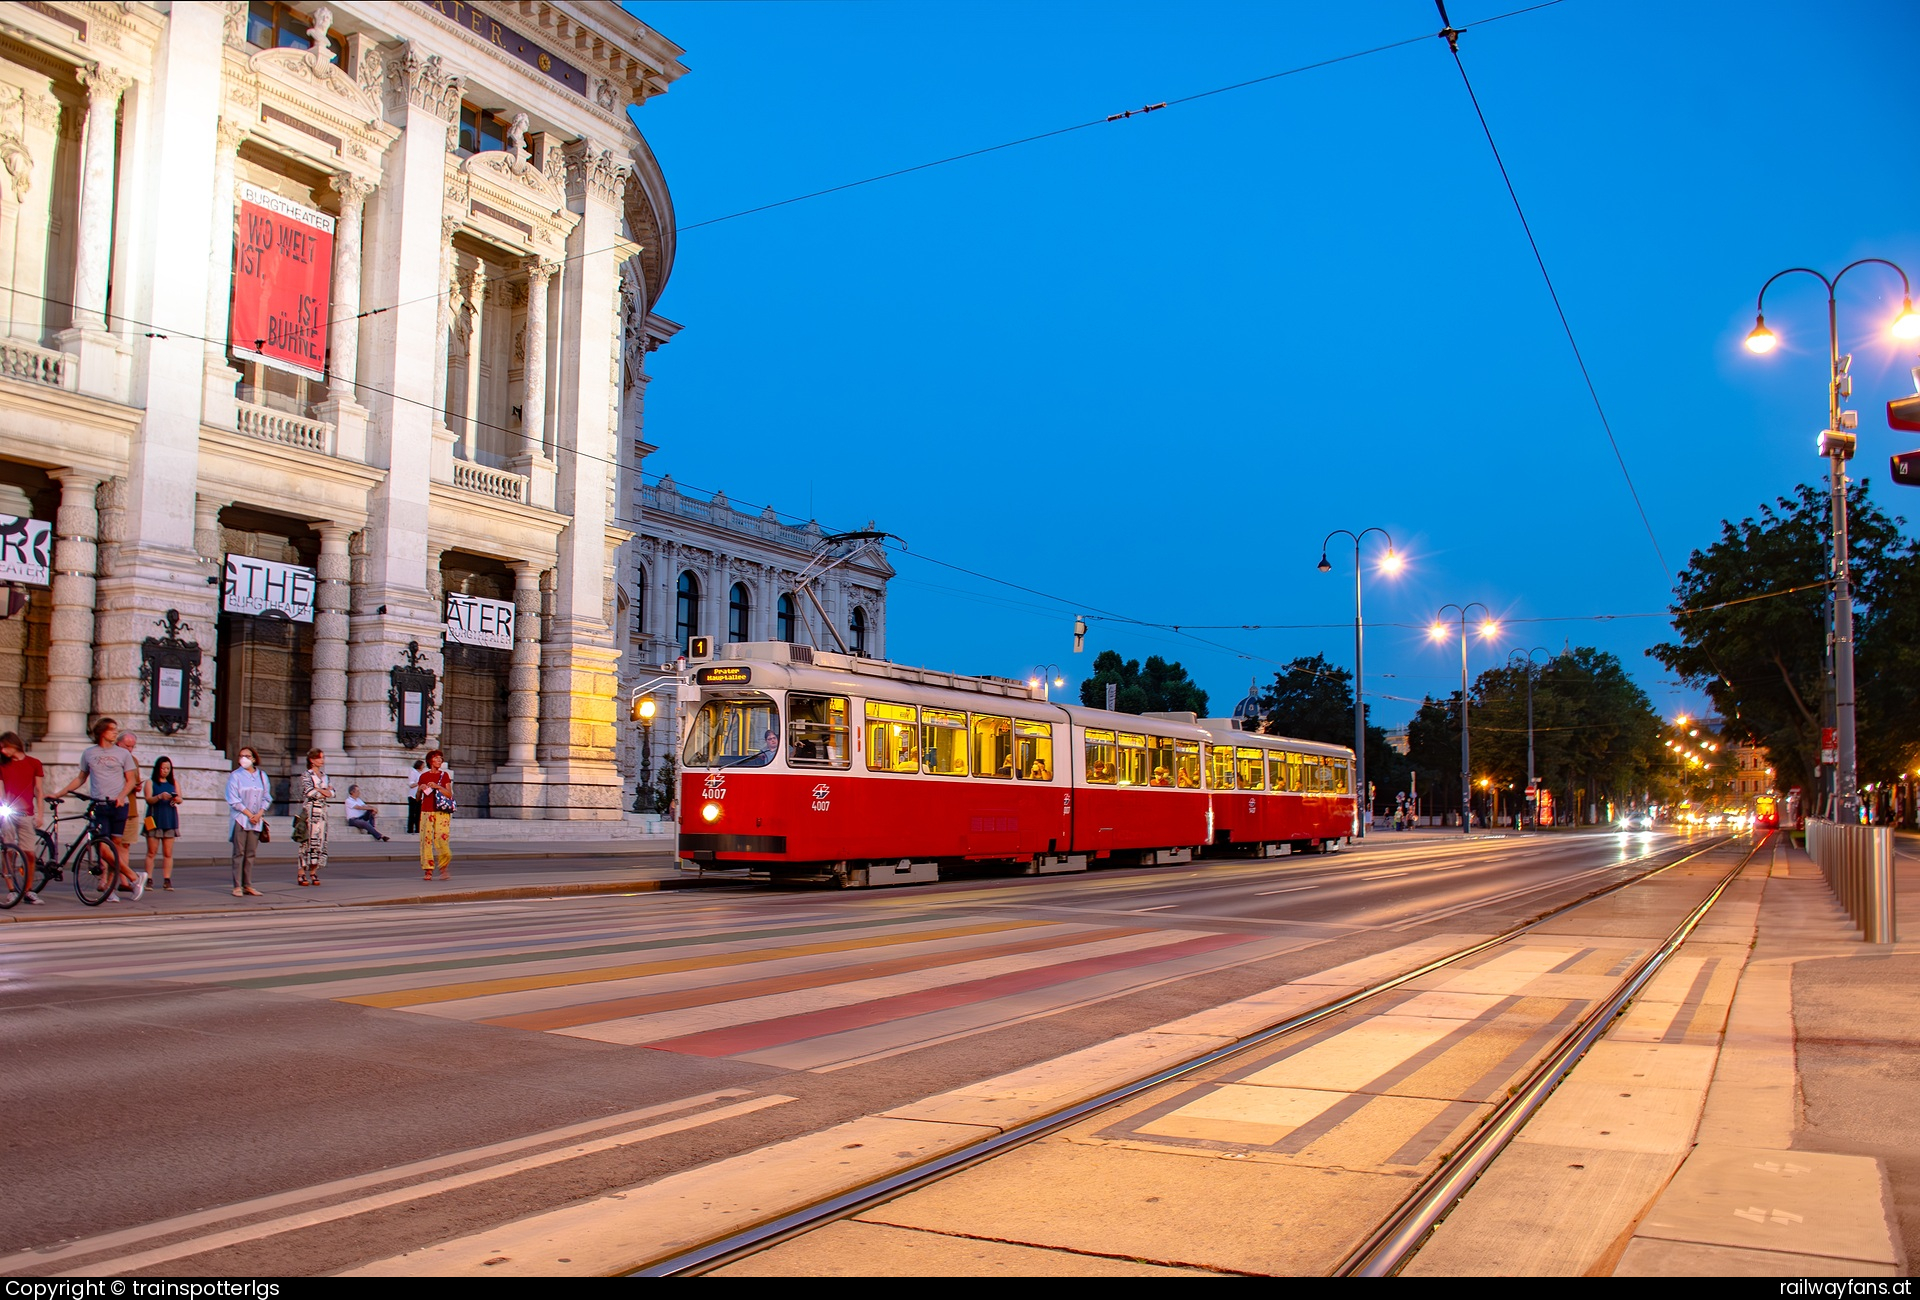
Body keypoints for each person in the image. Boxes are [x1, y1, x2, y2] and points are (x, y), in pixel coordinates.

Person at [53, 717, 141, 901]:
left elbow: (131, 780)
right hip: (100, 806)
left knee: (114, 848)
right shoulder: (89, 753)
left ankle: (110, 888)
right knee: (103, 850)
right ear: (102, 732)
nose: (115, 732)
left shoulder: (123, 754)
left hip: (118, 806)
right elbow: (81, 778)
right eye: (112, 730)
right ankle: (134, 877)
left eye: (116, 730)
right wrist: (58, 794)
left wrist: (121, 796)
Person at [0, 731, 46, 904]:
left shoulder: (34, 763)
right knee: (9, 852)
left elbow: (38, 791)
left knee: (30, 854)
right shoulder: (3, 766)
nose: (2, 751)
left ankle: (28, 891)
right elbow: (1, 790)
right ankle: (12, 889)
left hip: (27, 814)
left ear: (13, 744)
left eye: (4, 747)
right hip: (8, 813)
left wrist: (40, 814)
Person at [225, 745, 270, 898]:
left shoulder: (262, 776)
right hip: (241, 818)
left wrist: (259, 813)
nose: (244, 758)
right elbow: (234, 799)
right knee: (239, 852)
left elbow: (266, 797)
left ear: (254, 758)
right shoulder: (235, 776)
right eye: (241, 756)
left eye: (247, 756)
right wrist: (249, 814)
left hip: (257, 819)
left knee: (250, 853)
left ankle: (248, 884)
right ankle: (237, 886)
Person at [142, 756, 182, 891]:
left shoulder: (174, 782)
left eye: (168, 768)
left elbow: (180, 798)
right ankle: (149, 878)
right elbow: (148, 799)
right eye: (163, 768)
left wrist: (176, 799)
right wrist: (159, 797)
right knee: (151, 851)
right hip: (154, 818)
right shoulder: (150, 782)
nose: (165, 771)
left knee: (168, 852)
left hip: (169, 818)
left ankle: (167, 879)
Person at [297, 748, 333, 886]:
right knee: (307, 843)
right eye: (319, 758)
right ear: (312, 760)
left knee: (320, 842)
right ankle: (301, 873)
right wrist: (323, 791)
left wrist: (320, 790)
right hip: (310, 812)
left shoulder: (325, 776)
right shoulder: (307, 775)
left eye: (322, 757)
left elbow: (333, 793)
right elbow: (310, 792)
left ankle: (313, 871)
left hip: (323, 812)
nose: (322, 760)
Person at [417, 749, 453, 880]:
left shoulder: (445, 776)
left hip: (441, 812)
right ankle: (428, 870)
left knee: (441, 840)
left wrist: (438, 787)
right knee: (426, 841)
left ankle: (444, 868)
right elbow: (417, 798)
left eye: (441, 758)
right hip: (426, 811)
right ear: (430, 760)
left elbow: (449, 794)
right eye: (436, 758)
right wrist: (420, 790)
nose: (439, 760)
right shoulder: (423, 776)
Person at [405, 759, 424, 835]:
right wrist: (419, 783)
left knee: (418, 813)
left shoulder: (419, 773)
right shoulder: (413, 772)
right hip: (413, 795)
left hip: (419, 796)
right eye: (422, 765)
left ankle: (417, 829)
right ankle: (410, 829)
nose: (423, 767)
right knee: (412, 813)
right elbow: (411, 784)